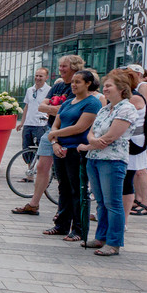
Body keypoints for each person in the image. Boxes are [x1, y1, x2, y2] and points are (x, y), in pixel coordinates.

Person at [12, 55, 88, 216]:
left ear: (74, 68)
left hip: (69, 132)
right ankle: (34, 204)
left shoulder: (76, 88)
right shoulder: (58, 87)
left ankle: (66, 210)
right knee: (41, 167)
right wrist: (58, 109)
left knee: (66, 174)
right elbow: (42, 106)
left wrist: (54, 108)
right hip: (51, 129)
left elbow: (69, 110)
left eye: (64, 66)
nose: (60, 69)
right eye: (60, 65)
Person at [79, 69, 138, 256]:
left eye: (108, 86)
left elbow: (111, 136)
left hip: (112, 160)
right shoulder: (105, 109)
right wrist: (91, 141)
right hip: (95, 159)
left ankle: (114, 242)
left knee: (113, 202)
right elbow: (92, 131)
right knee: (101, 202)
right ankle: (101, 237)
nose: (105, 89)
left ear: (121, 89)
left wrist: (88, 145)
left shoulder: (127, 109)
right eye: (104, 86)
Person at [43, 69, 101, 242]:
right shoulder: (68, 102)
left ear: (88, 84)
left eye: (78, 82)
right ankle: (61, 225)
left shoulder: (92, 103)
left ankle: (79, 229)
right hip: (60, 149)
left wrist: (55, 134)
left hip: (77, 150)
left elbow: (80, 127)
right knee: (63, 188)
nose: (74, 85)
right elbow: (55, 124)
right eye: (73, 82)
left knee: (78, 189)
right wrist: (55, 142)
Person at [124, 64, 147, 217]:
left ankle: (144, 202)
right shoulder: (143, 87)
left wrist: (145, 121)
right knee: (136, 169)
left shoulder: (143, 86)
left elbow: (142, 105)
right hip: (139, 131)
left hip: (138, 133)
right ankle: (138, 200)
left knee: (140, 169)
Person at [19, 68, 52, 166]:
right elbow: (27, 106)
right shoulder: (30, 90)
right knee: (27, 148)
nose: (38, 78)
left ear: (46, 77)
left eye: (41, 76)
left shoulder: (49, 90)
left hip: (41, 124)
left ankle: (42, 171)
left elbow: (51, 107)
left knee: (41, 149)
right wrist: (22, 122)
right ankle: (30, 173)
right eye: (36, 75)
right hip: (29, 123)